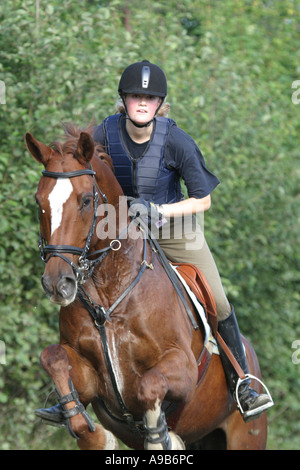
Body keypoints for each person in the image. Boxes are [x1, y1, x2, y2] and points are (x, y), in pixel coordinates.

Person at [36, 60, 273, 424]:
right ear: (125, 101)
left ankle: (243, 382)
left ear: (159, 102)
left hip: (174, 228)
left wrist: (158, 209)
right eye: (135, 96)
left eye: (149, 97)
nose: (142, 103)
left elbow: (204, 199)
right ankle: (71, 387)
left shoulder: (175, 140)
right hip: (118, 227)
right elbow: (79, 167)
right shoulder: (106, 132)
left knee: (219, 299)